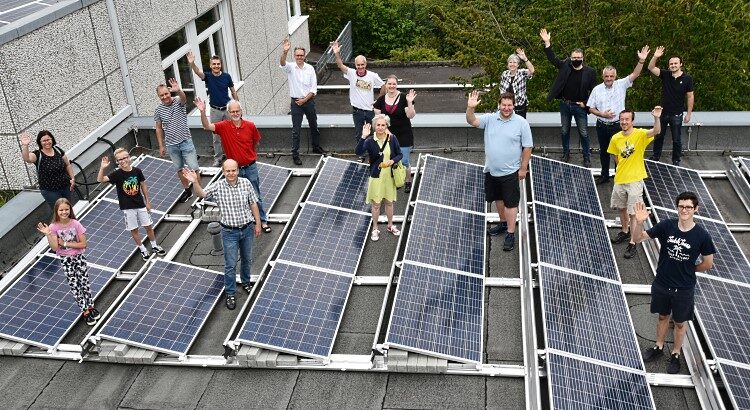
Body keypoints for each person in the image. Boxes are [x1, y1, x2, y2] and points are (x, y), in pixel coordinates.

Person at [630, 193, 715, 374]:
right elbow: (637, 239)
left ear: (696, 209)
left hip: (683, 288)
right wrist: (639, 222)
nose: (684, 210)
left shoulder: (702, 235)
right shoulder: (667, 226)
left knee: (679, 323)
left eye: (689, 207)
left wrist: (688, 270)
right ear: (677, 207)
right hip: (662, 283)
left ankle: (676, 353)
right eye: (681, 206)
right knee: (662, 316)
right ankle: (659, 347)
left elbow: (708, 263)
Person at [183, 161, 261, 310]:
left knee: (247, 259)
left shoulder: (246, 183)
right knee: (230, 265)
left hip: (246, 229)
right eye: (228, 171)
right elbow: (202, 194)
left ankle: (246, 282)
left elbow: (253, 204)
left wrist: (257, 223)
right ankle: (230, 293)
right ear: (223, 171)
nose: (231, 174)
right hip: (229, 232)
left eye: (233, 170)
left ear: (238, 170)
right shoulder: (218, 186)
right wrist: (195, 183)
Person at [466, 91, 533, 251]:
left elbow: (528, 147)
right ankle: (503, 225)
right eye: (504, 105)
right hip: (491, 170)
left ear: (514, 105)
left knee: (510, 204)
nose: (507, 108)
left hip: (511, 172)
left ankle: (510, 233)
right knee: (498, 199)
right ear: (499, 105)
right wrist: (470, 108)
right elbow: (472, 121)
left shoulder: (521, 122)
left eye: (510, 105)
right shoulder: (490, 119)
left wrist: (523, 169)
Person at [195, 97, 271, 233]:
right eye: (232, 112)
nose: (235, 114)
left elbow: (255, 142)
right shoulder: (223, 126)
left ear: (241, 111)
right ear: (229, 113)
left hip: (250, 167)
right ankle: (244, 220)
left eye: (237, 111)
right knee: (236, 197)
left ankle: (263, 220)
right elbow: (207, 126)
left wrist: (248, 155)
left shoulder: (250, 126)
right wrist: (202, 111)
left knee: (255, 195)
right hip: (233, 172)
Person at [587, 46, 650, 184]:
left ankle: (619, 175)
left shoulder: (621, 84)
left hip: (618, 126)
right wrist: (601, 113)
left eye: (611, 76)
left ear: (615, 76)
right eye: (606, 76)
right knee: (604, 152)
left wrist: (641, 61)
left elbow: (635, 74)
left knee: (620, 152)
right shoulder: (596, 89)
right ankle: (604, 176)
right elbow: (590, 108)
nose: (609, 78)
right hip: (602, 125)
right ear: (603, 76)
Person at [608, 107, 662, 259]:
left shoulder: (640, 134)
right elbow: (616, 158)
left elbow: (656, 131)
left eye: (627, 119)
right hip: (620, 179)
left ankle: (633, 242)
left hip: (635, 180)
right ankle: (625, 232)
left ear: (632, 121)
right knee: (621, 208)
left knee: (634, 213)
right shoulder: (615, 138)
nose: (624, 122)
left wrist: (656, 118)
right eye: (622, 119)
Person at [36, 198, 100, 325]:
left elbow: (83, 244)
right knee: (74, 285)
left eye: (66, 209)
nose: (64, 212)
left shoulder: (76, 224)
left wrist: (64, 243)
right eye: (61, 210)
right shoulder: (53, 227)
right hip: (66, 259)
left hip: (79, 258)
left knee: (84, 282)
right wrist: (48, 234)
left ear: (70, 210)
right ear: (56, 211)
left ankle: (91, 306)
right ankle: (85, 310)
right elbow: (54, 248)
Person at [539, 28, 596, 167]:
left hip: (580, 107)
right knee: (564, 131)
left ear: (583, 58)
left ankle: (586, 157)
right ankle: (566, 153)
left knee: (583, 133)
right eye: (574, 57)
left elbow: (594, 92)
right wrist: (547, 43)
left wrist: (586, 104)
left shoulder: (590, 72)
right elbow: (553, 59)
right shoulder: (565, 66)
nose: (576, 60)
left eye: (578, 58)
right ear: (570, 58)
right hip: (565, 105)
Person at [97, 148, 166, 260]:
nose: (123, 161)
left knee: (148, 226)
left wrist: (147, 202)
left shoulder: (137, 171)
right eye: (120, 159)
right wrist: (102, 168)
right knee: (134, 230)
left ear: (129, 157)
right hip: (128, 208)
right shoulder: (117, 174)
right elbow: (100, 179)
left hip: (140, 204)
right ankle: (143, 249)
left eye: (125, 158)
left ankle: (154, 246)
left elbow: (143, 186)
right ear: (117, 161)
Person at [355, 114, 403, 241]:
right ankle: (375, 228)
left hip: (389, 177)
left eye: (383, 125)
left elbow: (399, 155)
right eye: (378, 125)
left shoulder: (392, 138)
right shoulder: (370, 140)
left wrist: (392, 161)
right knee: (376, 205)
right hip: (376, 177)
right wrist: (363, 136)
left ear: (387, 126)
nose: (381, 127)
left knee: (389, 203)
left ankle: (390, 225)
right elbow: (358, 152)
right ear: (374, 126)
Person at [187, 51, 239, 167]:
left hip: (227, 110)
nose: (216, 66)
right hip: (215, 111)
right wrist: (192, 63)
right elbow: (198, 72)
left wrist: (237, 106)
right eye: (214, 64)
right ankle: (218, 158)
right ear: (211, 66)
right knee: (216, 137)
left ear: (221, 65)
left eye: (218, 64)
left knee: (232, 133)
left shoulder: (226, 76)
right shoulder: (208, 76)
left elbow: (233, 91)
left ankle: (233, 156)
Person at [279, 38, 326, 165]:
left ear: (304, 56)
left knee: (314, 125)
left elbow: (313, 88)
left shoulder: (310, 69)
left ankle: (316, 147)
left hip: (308, 101)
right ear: (294, 56)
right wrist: (285, 51)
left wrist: (304, 99)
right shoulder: (290, 68)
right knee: (296, 130)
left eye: (301, 55)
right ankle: (295, 154)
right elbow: (282, 63)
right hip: (295, 104)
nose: (299, 57)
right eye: (297, 55)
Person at [331, 40, 385, 148]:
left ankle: (372, 153)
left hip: (370, 111)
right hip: (357, 111)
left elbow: (383, 86)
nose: (360, 67)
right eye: (358, 65)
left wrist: (378, 100)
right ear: (355, 65)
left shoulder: (372, 75)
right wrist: (336, 52)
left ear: (366, 64)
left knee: (372, 134)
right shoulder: (351, 73)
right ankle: (361, 153)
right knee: (359, 134)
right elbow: (340, 65)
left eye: (362, 64)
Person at [154, 78, 200, 203]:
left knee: (194, 168)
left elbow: (184, 98)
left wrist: (178, 90)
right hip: (171, 145)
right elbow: (158, 128)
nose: (164, 97)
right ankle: (187, 191)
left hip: (185, 141)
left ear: (170, 93)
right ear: (159, 96)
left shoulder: (178, 101)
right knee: (179, 169)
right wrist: (161, 145)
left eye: (166, 93)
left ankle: (199, 192)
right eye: (161, 95)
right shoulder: (158, 110)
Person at [648, 46, 694, 166]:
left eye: (675, 63)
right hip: (663, 113)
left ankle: (676, 160)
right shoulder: (666, 75)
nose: (673, 65)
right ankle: (655, 156)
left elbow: (690, 97)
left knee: (677, 139)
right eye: (671, 63)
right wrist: (655, 56)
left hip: (677, 114)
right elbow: (651, 67)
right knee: (658, 136)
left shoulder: (687, 79)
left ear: (680, 64)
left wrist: (688, 114)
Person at [373, 75, 416, 193]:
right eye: (389, 84)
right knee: (391, 159)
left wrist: (410, 102)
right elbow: (378, 120)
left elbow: (410, 115)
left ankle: (408, 180)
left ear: (397, 85)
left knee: (404, 161)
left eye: (394, 84)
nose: (391, 86)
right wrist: (387, 133)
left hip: (404, 134)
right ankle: (397, 179)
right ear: (386, 85)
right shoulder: (380, 101)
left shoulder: (403, 98)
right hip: (388, 135)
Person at [20, 130, 76, 210]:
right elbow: (27, 158)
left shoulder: (58, 150)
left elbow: (67, 165)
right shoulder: (37, 154)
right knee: (59, 212)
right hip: (50, 191)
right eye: (44, 140)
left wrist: (72, 179)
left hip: (66, 187)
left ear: (52, 139)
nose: (47, 142)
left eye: (48, 139)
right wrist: (25, 145)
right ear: (40, 142)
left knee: (68, 209)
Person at [499, 49, 535, 118]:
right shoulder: (504, 74)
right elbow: (501, 91)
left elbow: (532, 70)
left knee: (519, 127)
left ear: (518, 65)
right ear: (507, 64)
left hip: (519, 108)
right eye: (510, 62)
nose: (512, 64)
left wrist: (525, 58)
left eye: (514, 62)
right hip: (506, 108)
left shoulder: (522, 73)